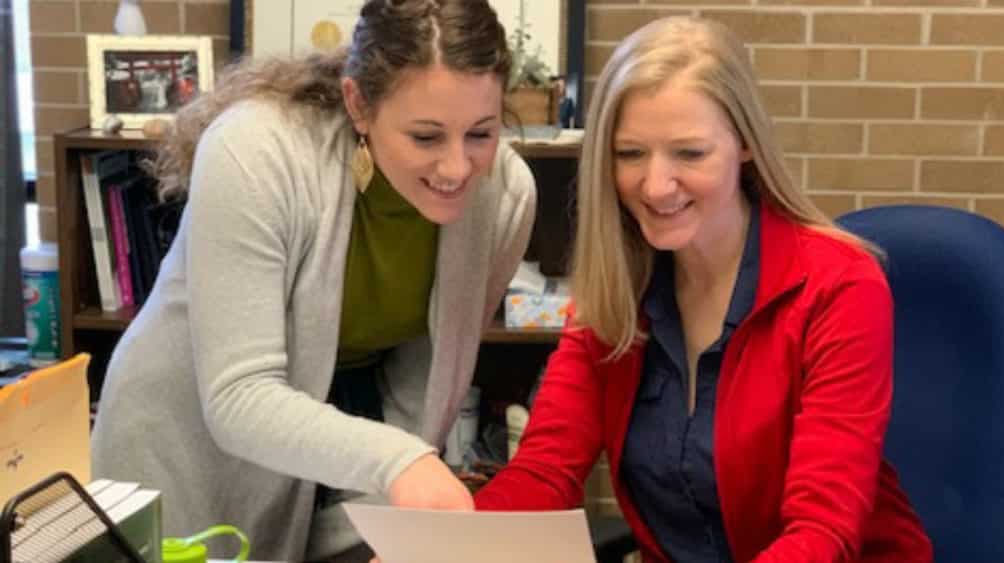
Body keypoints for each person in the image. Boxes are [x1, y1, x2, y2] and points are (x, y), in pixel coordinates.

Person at [475, 15, 933, 563]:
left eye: (689, 154)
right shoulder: (615, 291)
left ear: (744, 145)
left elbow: (822, 532)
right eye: (631, 154)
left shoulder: (839, 286)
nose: (655, 185)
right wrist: (447, 546)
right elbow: (545, 473)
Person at [90, 1, 536, 561]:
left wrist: (388, 499)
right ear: (359, 104)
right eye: (425, 137)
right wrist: (395, 461)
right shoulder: (255, 151)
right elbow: (237, 395)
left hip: (344, 419)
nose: (457, 168)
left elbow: (428, 374)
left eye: (480, 133)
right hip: (190, 432)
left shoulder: (505, 196)